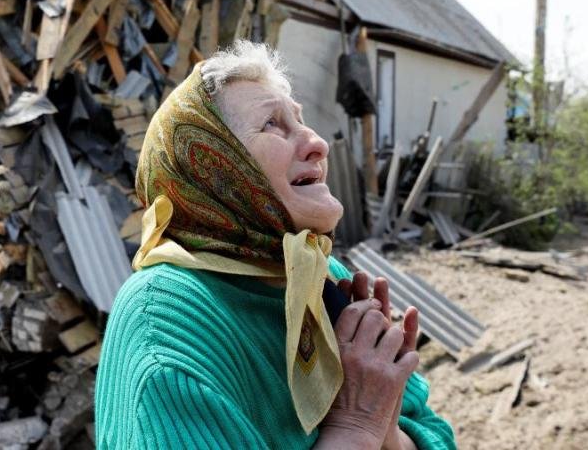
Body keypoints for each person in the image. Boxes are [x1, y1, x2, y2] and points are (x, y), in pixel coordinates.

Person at [95, 41, 455, 449]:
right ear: (213, 167)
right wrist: (357, 426)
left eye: (300, 120)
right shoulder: (167, 326)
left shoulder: (317, 277)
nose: (318, 144)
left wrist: (384, 418)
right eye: (272, 124)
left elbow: (437, 436)